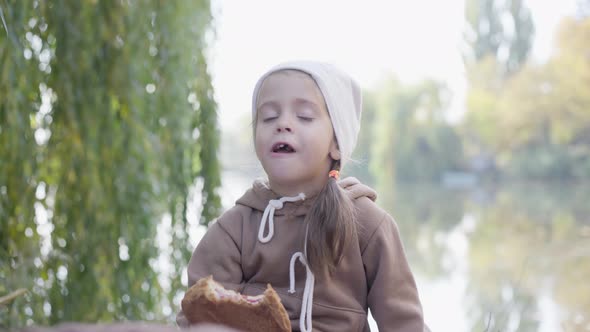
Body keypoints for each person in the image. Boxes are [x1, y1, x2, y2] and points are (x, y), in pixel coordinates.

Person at [177, 61, 425, 331]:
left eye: (304, 116)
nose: (282, 124)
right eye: (269, 117)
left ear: (336, 144)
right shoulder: (236, 228)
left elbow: (403, 322)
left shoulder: (368, 224)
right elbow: (199, 309)